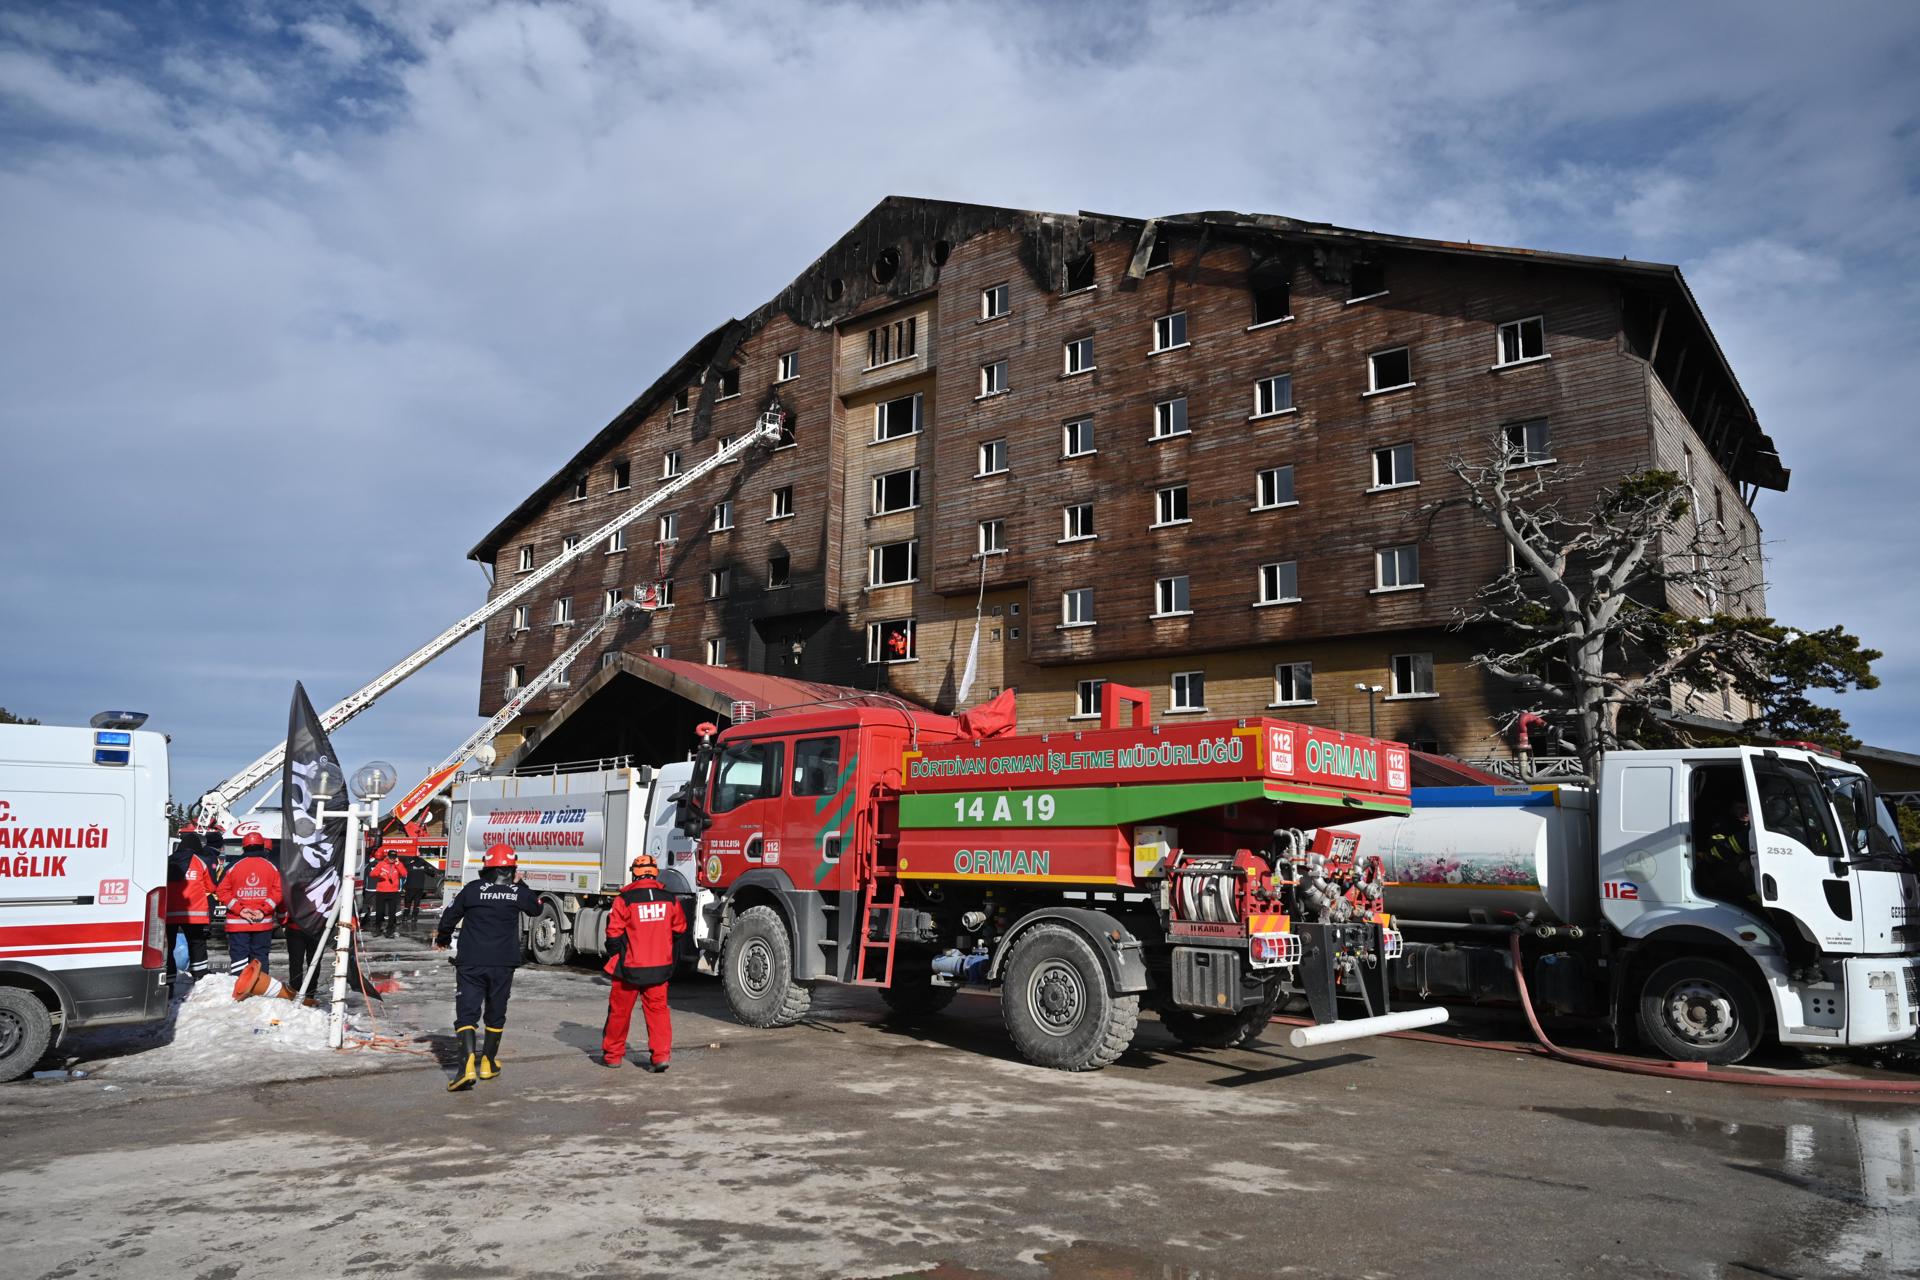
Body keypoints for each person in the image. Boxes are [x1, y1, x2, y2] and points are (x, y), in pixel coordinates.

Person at [433, 844, 540, 1092]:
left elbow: (450, 915)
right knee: (496, 1011)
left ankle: (465, 1066)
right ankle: (488, 1063)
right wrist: (519, 884)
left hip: (471, 961)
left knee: (467, 1012)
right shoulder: (517, 892)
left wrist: (443, 939)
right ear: (512, 868)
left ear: (486, 866)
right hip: (503, 963)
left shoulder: (472, 890)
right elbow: (536, 907)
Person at [599, 852, 687, 1072]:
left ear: (634, 873)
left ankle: (613, 1056)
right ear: (654, 872)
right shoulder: (669, 898)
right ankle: (660, 1056)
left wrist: (617, 953)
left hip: (629, 968)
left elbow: (613, 935)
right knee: (658, 1012)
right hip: (660, 968)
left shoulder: (624, 899)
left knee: (619, 1012)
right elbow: (680, 929)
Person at [213, 831, 283, 978]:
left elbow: (222, 891)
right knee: (260, 957)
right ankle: (260, 988)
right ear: (262, 847)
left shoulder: (233, 867)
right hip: (262, 922)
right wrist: (263, 911)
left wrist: (241, 910)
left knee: (239, 958)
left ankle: (240, 989)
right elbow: (278, 892)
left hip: (237, 923)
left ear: (243, 847)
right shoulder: (271, 867)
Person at [164, 830, 214, 983]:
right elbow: (211, 887)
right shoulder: (200, 862)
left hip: (169, 912)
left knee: (168, 947)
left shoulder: (168, 861)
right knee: (196, 944)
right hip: (194, 913)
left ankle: (169, 980)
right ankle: (200, 976)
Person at [368, 847, 406, 938]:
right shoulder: (381, 864)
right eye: (391, 857)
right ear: (388, 857)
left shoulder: (398, 864)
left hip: (393, 892)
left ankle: (390, 931)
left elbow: (404, 873)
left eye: (394, 857)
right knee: (380, 912)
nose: (392, 859)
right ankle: (377, 929)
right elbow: (372, 874)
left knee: (392, 913)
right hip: (381, 891)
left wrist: (398, 864)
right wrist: (379, 874)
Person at [402, 852, 431, 923]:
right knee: (416, 903)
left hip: (410, 887)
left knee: (408, 902)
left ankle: (405, 917)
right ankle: (414, 917)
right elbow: (432, 873)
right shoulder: (423, 866)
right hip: (419, 888)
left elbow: (403, 873)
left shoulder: (410, 866)